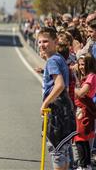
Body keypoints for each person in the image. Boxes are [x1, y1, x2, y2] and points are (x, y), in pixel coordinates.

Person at [38, 27, 77, 170]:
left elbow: (59, 84)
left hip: (56, 111)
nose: (42, 45)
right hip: (66, 108)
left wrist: (45, 103)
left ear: (55, 41)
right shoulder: (58, 58)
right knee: (64, 152)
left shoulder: (52, 62)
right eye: (40, 42)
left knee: (57, 152)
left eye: (46, 41)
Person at [74, 54, 96, 170]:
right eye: (80, 64)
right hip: (82, 110)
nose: (81, 67)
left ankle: (83, 165)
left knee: (80, 138)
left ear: (90, 64)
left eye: (84, 64)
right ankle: (85, 165)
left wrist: (72, 87)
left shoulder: (91, 76)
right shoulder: (85, 76)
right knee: (82, 139)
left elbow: (82, 92)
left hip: (84, 111)